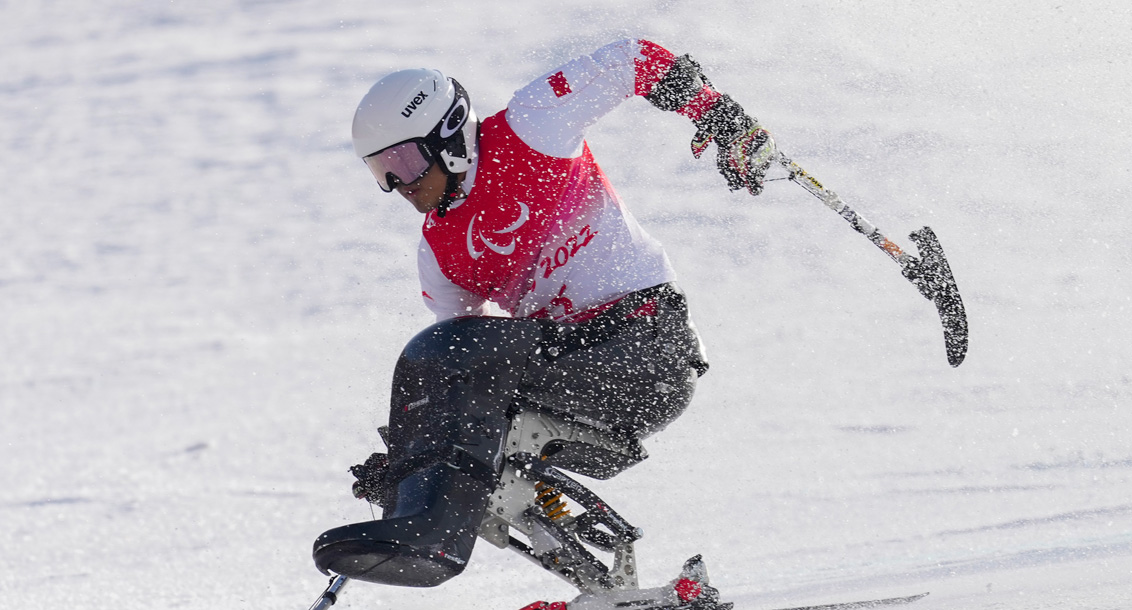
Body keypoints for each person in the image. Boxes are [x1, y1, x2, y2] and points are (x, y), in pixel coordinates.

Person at [312, 38, 776, 590]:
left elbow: (635, 60)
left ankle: (432, 530)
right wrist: (409, 459)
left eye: (404, 161)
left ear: (449, 136)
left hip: (647, 349)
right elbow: (452, 374)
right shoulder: (438, 250)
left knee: (445, 352)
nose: (399, 185)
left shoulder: (530, 127)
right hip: (574, 376)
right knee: (442, 374)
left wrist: (719, 116)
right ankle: (596, 587)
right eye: (380, 171)